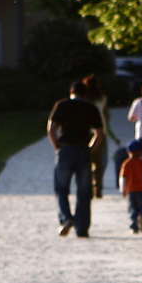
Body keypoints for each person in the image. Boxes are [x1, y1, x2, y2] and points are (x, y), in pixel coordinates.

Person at [47, 79, 104, 237]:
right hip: (83, 151)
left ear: (71, 92)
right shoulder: (91, 108)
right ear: (85, 93)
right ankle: (82, 228)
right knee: (84, 191)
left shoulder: (62, 105)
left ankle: (66, 219)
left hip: (65, 150)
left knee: (61, 188)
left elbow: (51, 128)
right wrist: (91, 149)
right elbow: (100, 133)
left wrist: (57, 146)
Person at [120, 137, 142, 233]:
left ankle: (134, 226)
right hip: (141, 189)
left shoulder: (125, 164)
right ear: (139, 151)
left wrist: (123, 190)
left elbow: (122, 178)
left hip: (130, 190)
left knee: (133, 208)